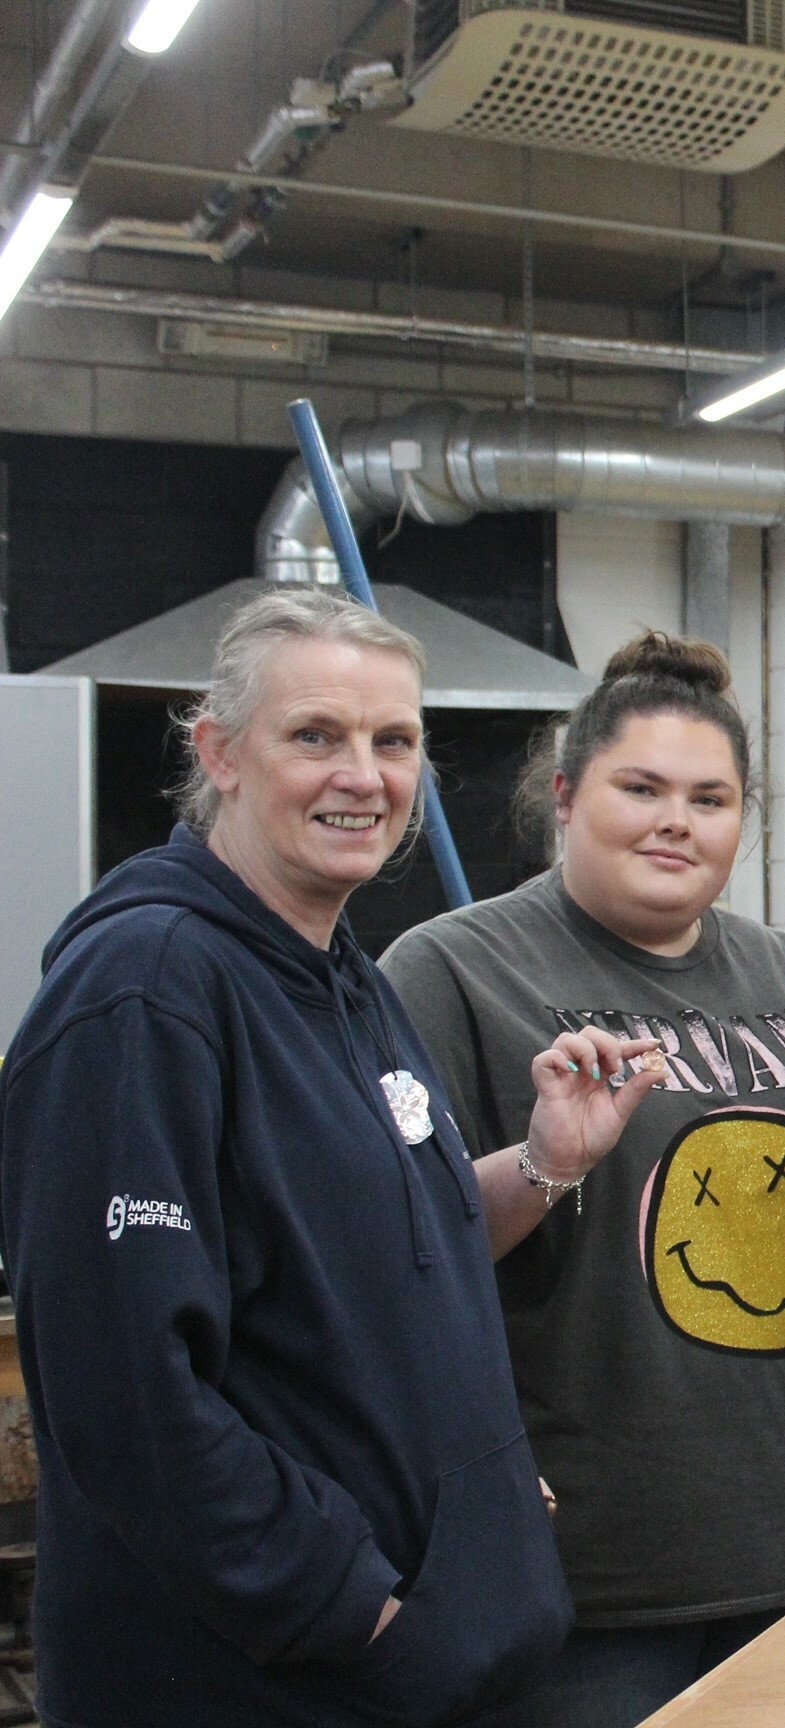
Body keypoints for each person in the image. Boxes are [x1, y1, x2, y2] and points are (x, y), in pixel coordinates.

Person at [0, 588, 571, 1725]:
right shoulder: (146, 990)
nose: (362, 775)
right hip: (266, 1680)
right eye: (315, 735)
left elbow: (370, 1289)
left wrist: (484, 1497)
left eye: (393, 741)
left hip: (418, 1664)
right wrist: (346, 1603)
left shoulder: (345, 981)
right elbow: (127, 1393)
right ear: (218, 752)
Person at [381, 632, 785, 1728]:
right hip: (584, 1574)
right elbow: (400, 1249)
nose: (677, 820)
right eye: (642, 788)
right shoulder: (452, 969)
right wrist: (546, 1162)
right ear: (568, 796)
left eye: (710, 799)